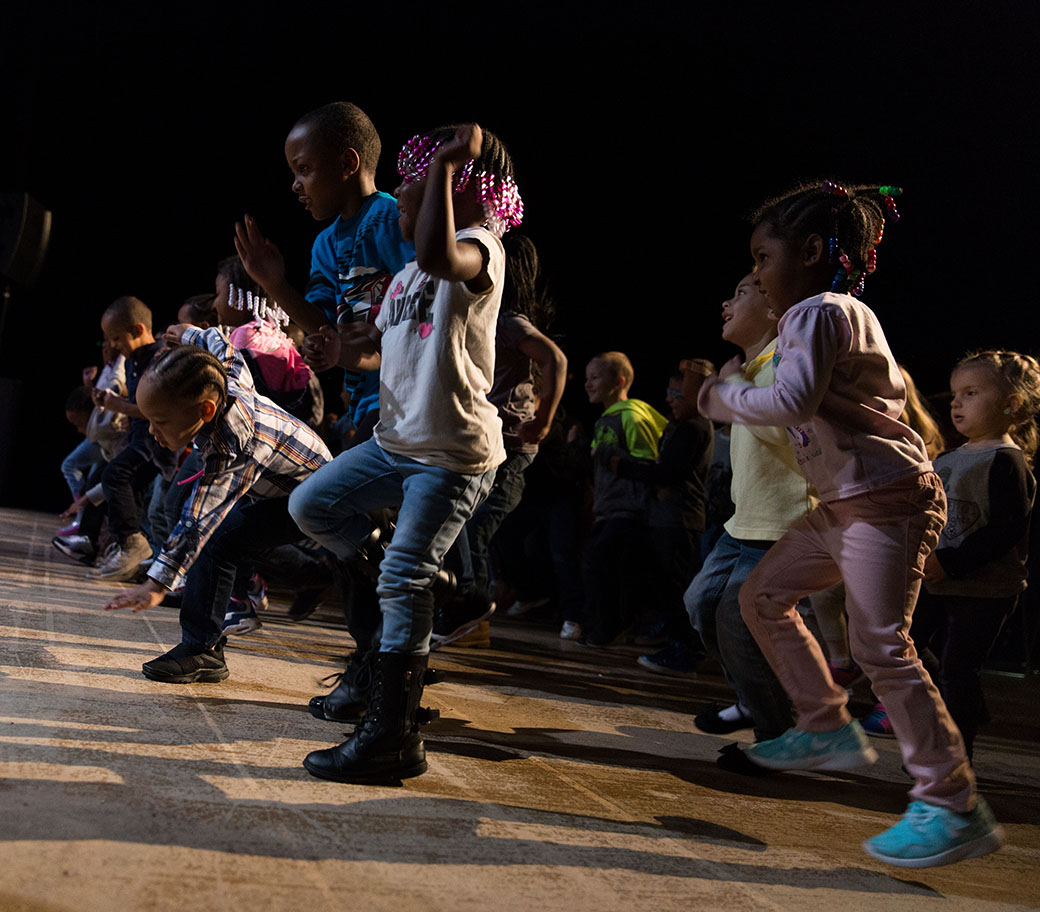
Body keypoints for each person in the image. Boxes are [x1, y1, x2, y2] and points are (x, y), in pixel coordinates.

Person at [697, 181, 1002, 868]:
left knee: (881, 648)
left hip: (886, 499)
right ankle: (825, 724)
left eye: (762, 258)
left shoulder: (817, 310)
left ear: (809, 251)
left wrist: (724, 395)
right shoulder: (831, 315)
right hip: (847, 502)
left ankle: (953, 803)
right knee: (762, 597)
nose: (757, 276)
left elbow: (794, 397)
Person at [289, 123, 522, 783]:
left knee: (399, 578)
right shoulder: (406, 280)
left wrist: (445, 170)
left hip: (452, 453)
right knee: (314, 506)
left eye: (411, 184)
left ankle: (392, 735)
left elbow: (449, 257)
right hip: (398, 443)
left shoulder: (480, 248)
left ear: (458, 191)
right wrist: (341, 353)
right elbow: (383, 348)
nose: (401, 191)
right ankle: (435, 586)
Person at [235, 101, 414, 666]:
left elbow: (426, 310)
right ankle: (374, 661)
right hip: (364, 407)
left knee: (359, 533)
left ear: (348, 163)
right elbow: (321, 328)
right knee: (352, 538)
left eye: (304, 169)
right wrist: (276, 283)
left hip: (406, 404)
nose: (295, 185)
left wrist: (359, 348)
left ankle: (381, 663)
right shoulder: (323, 244)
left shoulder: (392, 221)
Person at [103, 324, 331, 682]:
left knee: (219, 539)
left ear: (206, 410)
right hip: (281, 489)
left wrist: (157, 584)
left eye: (159, 421)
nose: (151, 431)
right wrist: (187, 332)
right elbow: (218, 342)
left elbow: (198, 521)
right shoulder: (226, 378)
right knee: (234, 537)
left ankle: (202, 650)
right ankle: (312, 573)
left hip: (313, 496)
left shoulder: (233, 445)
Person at [672, 276, 813, 745]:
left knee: (737, 615)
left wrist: (731, 388)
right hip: (744, 523)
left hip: (784, 522)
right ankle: (755, 699)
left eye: (741, 293)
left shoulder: (783, 362)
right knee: (702, 604)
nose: (726, 302)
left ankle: (778, 733)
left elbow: (784, 428)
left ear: (774, 309)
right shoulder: (751, 366)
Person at [433, 232, 568, 648]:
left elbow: (554, 358)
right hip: (493, 441)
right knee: (465, 529)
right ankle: (472, 619)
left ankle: (468, 609)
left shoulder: (510, 322)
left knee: (469, 528)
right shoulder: (490, 318)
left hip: (513, 444)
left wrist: (543, 419)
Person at [908, 351, 1038, 759]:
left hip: (985, 588)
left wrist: (950, 562)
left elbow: (1006, 530)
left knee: (958, 668)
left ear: (1010, 404)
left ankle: (955, 755)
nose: (955, 403)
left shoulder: (1007, 461)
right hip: (936, 578)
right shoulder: (946, 458)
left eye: (970, 393)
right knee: (907, 645)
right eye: (954, 394)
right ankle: (965, 703)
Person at [622, 363, 712, 666]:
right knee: (667, 585)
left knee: (676, 587)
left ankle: (684, 649)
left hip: (678, 519)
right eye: (669, 391)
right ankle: (674, 640)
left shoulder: (694, 427)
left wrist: (621, 466)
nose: (670, 399)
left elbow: (667, 473)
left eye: (677, 392)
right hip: (670, 518)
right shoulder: (684, 427)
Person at [578, 351, 668, 646]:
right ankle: (606, 628)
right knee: (597, 567)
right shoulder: (605, 419)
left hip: (628, 510)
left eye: (595, 378)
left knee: (605, 567)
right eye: (587, 378)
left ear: (618, 382)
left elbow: (646, 466)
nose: (588, 384)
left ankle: (611, 629)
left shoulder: (630, 415)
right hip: (608, 509)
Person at [88, 296, 178, 580]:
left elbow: (157, 408)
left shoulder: (160, 357)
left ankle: (133, 545)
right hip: (139, 438)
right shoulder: (132, 361)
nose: (112, 346)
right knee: (132, 495)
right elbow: (138, 403)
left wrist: (118, 406)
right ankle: (132, 554)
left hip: (158, 443)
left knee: (114, 474)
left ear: (138, 330)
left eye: (116, 338)